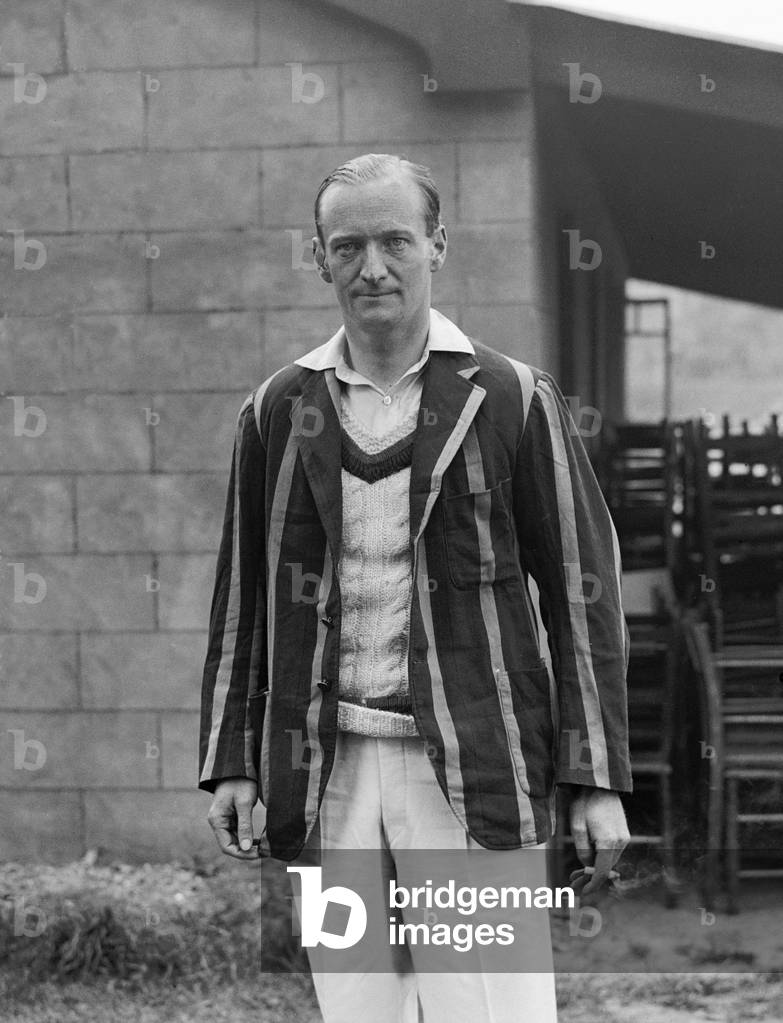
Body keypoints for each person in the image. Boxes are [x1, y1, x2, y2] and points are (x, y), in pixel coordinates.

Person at [198, 153, 631, 1022]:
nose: (373, 266)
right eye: (347, 245)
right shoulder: (281, 408)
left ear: (437, 245)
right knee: (360, 1009)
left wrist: (597, 777)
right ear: (319, 259)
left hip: (475, 764)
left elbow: (581, 593)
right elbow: (243, 597)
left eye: (395, 239)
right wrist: (233, 759)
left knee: (491, 1010)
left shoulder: (509, 397)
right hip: (331, 769)